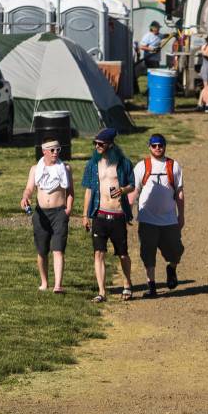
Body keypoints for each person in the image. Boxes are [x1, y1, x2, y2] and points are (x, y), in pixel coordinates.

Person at [81, 128, 135, 303]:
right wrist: (85, 215)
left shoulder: (123, 163)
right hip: (99, 214)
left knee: (123, 254)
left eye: (101, 144)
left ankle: (127, 284)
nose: (97, 146)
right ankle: (101, 291)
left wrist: (123, 190)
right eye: (95, 143)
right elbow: (88, 191)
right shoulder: (92, 165)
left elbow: (132, 185)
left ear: (110, 144)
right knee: (98, 253)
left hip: (117, 214)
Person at [131, 134, 184, 298]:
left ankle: (171, 268)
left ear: (165, 146)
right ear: (149, 147)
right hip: (147, 219)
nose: (157, 148)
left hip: (169, 219)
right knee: (148, 253)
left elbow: (179, 192)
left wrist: (181, 215)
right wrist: (127, 210)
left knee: (176, 251)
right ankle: (152, 286)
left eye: (160, 145)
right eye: (154, 145)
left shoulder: (173, 166)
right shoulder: (142, 166)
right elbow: (135, 190)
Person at [21, 138, 74, 293]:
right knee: (42, 251)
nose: (55, 152)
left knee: (58, 249)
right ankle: (44, 282)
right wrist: (25, 197)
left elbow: (70, 192)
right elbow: (29, 188)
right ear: (44, 151)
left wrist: (68, 209)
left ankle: (58, 285)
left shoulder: (65, 168)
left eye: (58, 149)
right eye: (52, 150)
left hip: (59, 212)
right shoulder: (35, 169)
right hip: (41, 214)